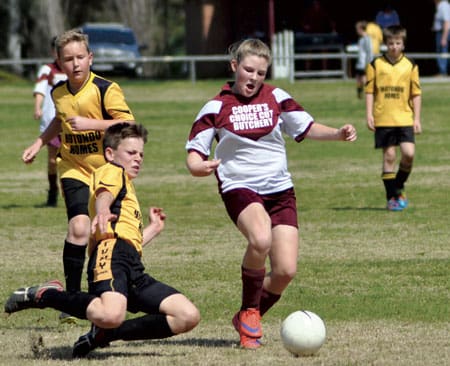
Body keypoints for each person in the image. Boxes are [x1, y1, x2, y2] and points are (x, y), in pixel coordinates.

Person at [185, 39, 357, 349]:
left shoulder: (277, 97)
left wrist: (337, 134)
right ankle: (251, 313)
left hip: (280, 190)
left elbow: (305, 128)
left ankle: (247, 316)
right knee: (260, 239)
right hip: (239, 186)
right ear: (235, 66)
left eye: (261, 73)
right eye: (248, 70)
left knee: (285, 271)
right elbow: (195, 152)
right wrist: (198, 167)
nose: (253, 78)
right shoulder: (216, 106)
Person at [5, 123, 200, 358]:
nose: (138, 158)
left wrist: (153, 229)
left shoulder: (127, 186)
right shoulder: (112, 170)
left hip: (131, 265)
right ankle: (46, 294)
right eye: (131, 153)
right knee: (111, 314)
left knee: (187, 316)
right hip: (111, 256)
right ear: (110, 153)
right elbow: (103, 194)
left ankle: (106, 334)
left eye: (141, 154)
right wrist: (103, 209)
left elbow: (129, 241)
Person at [22, 29, 135, 322]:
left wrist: (91, 123)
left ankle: (100, 291)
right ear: (59, 63)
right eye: (68, 59)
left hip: (106, 172)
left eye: (80, 57)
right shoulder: (58, 91)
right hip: (73, 168)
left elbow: (127, 123)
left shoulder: (105, 89)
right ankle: (70, 301)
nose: (75, 64)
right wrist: (39, 143)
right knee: (79, 228)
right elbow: (60, 123)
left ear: (90, 58)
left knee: (103, 234)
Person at [365, 25, 422, 211]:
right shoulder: (375, 64)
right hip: (384, 118)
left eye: (398, 43)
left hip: (405, 117)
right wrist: (369, 114)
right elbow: (369, 91)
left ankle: (397, 185)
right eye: (390, 43)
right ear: (385, 44)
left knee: (409, 154)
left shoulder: (410, 65)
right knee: (389, 156)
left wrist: (417, 118)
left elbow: (416, 94)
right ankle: (392, 198)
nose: (394, 47)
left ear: (403, 44)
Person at [32, 36, 67, 207]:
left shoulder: (72, 68)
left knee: (71, 159)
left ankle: (71, 192)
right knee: (53, 161)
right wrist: (37, 107)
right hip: (52, 121)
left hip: (70, 122)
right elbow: (40, 90)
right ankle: (53, 191)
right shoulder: (48, 69)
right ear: (54, 52)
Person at [354, 21, 373, 99]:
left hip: (364, 63)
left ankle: (368, 93)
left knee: (364, 78)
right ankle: (359, 94)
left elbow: (369, 52)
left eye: (357, 29)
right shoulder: (361, 39)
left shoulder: (367, 39)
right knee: (358, 78)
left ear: (361, 29)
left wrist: (368, 63)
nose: (356, 31)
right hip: (360, 63)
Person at [432, 0, 450, 76]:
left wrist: (444, 37)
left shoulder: (443, 5)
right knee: (442, 52)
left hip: (443, 32)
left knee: (442, 52)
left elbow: (447, 22)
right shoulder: (440, 5)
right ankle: (443, 72)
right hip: (441, 32)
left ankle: (443, 72)